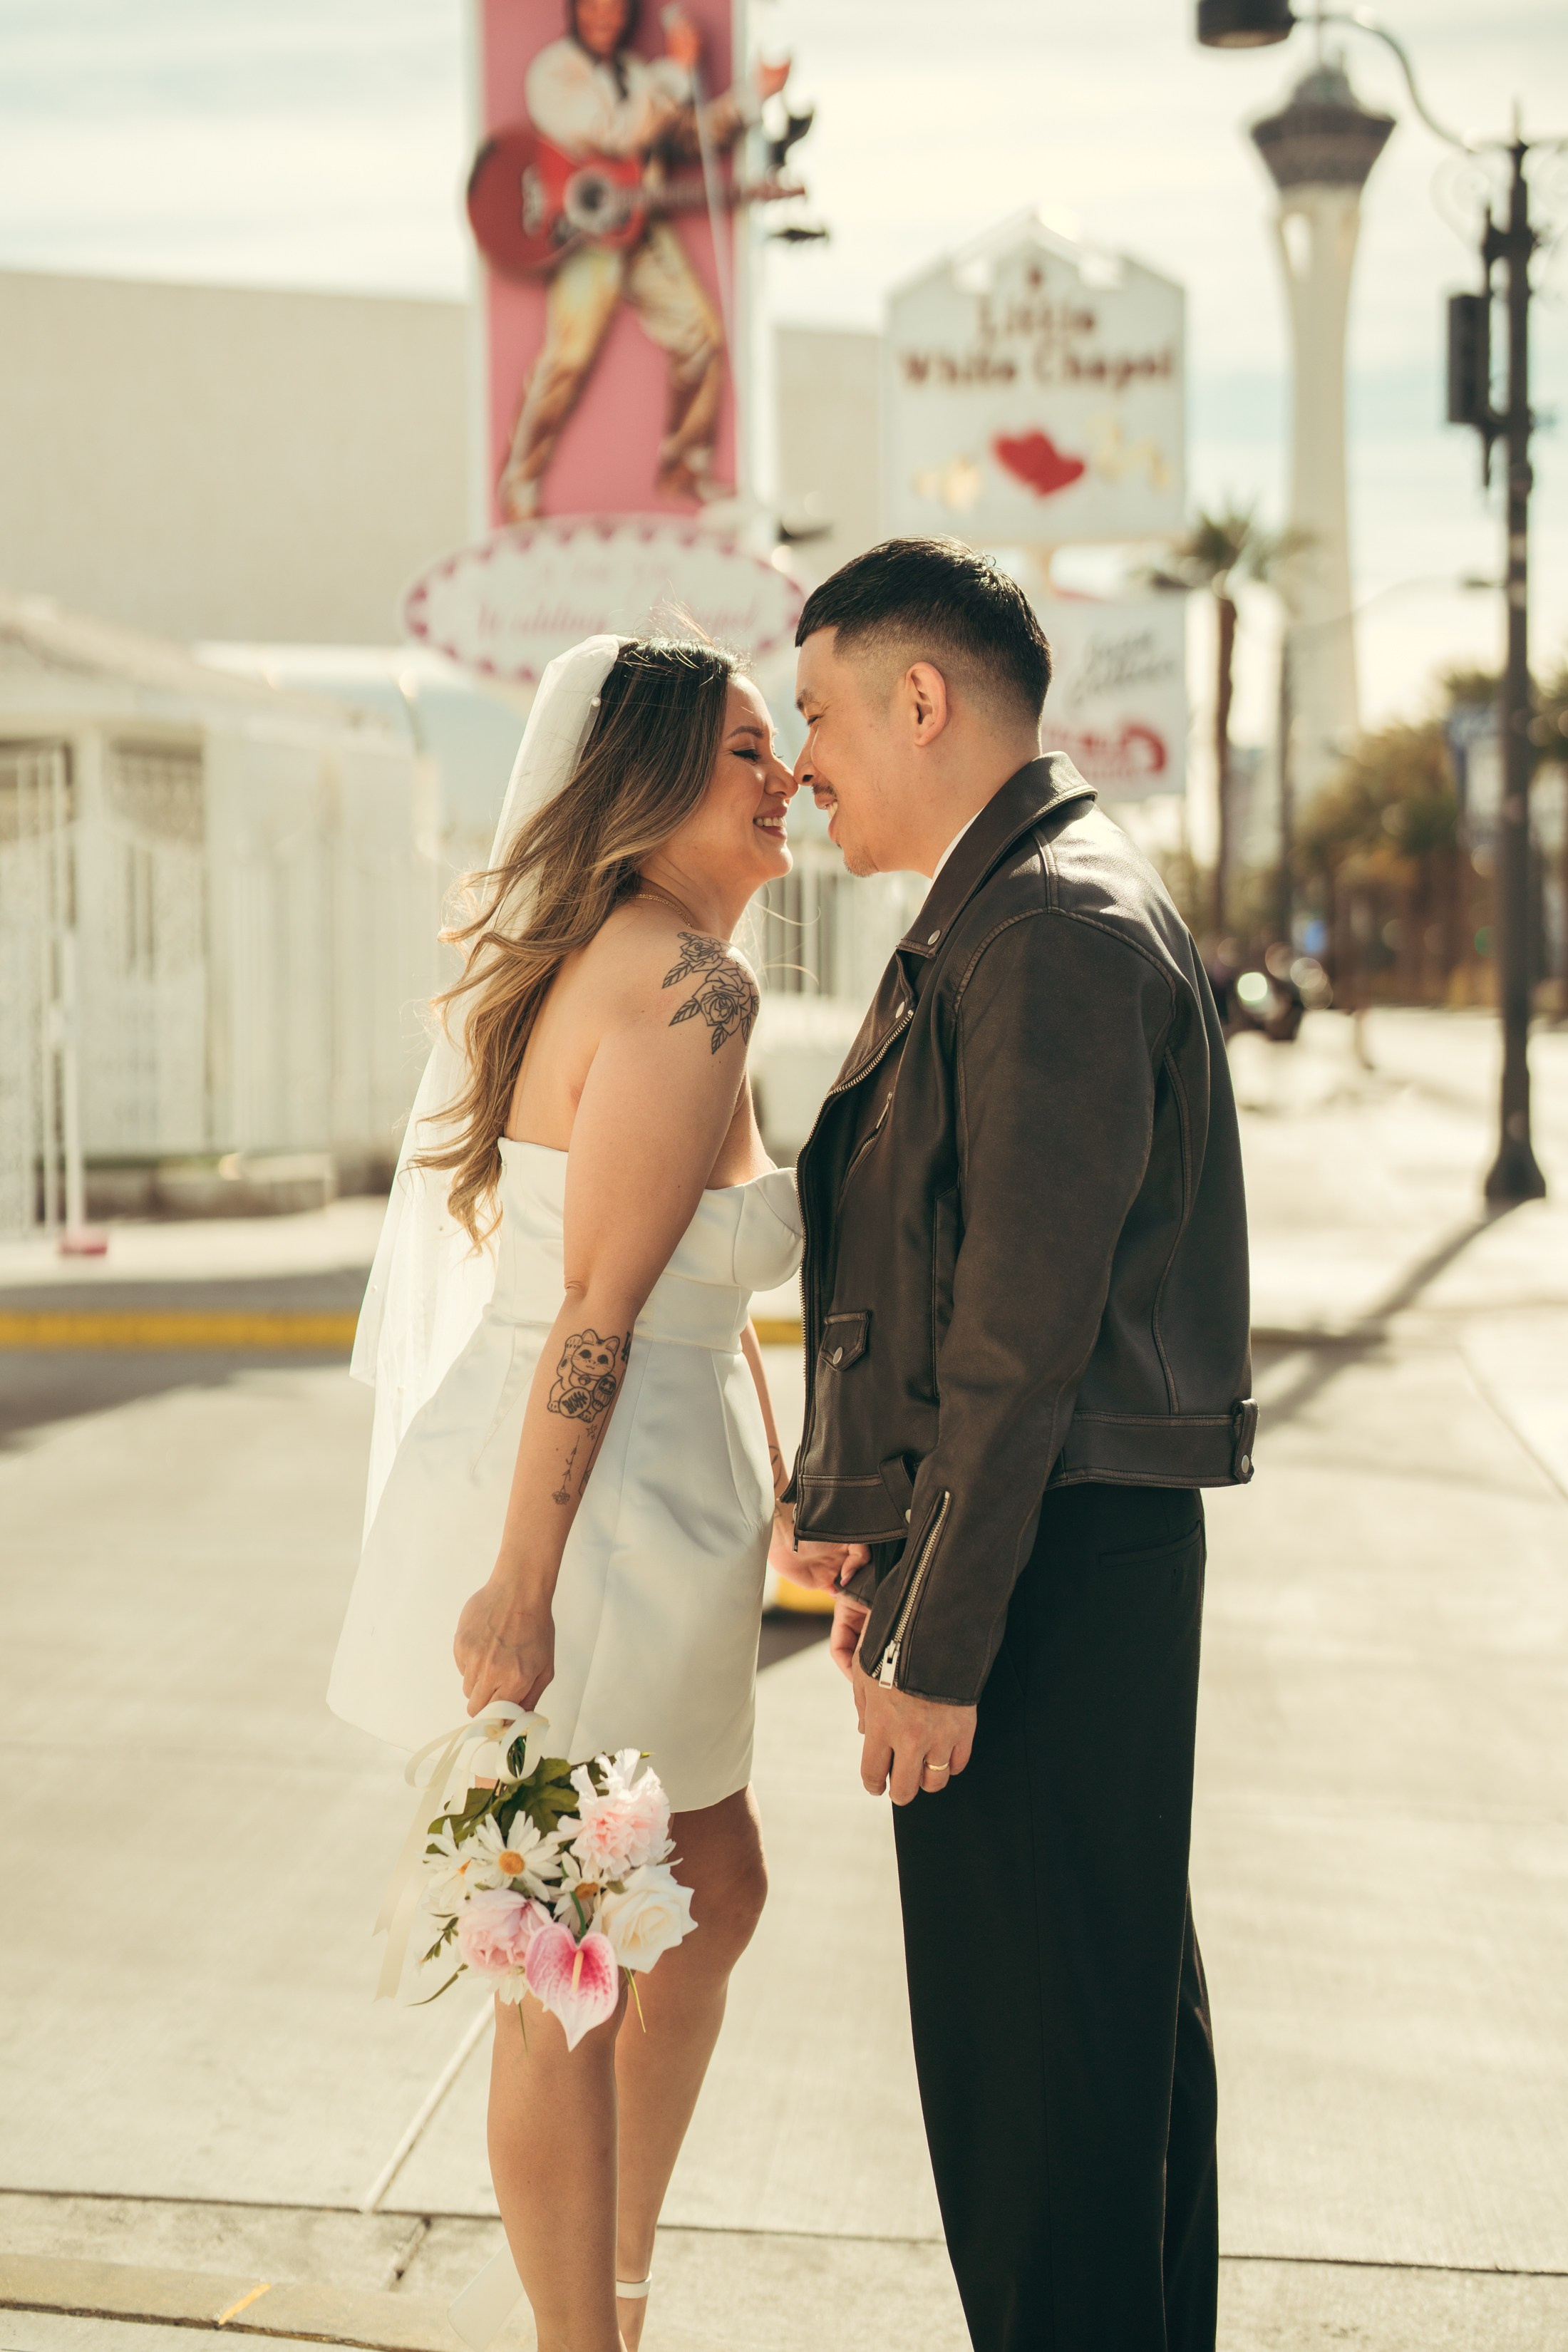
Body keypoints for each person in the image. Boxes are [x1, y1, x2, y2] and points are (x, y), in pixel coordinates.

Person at [329, 634, 858, 2352]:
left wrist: (781, 1481)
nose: (779, 779)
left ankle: (611, 2295)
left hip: (650, 1497)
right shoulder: (688, 989)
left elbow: (701, 1269)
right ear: (638, 790)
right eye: (740, 753)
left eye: (781, 747)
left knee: (712, 1885)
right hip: (589, 1522)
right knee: (563, 1971)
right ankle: (589, 2335)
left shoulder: (665, 968)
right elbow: (596, 1311)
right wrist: (521, 1584)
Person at [788, 539, 1256, 2352]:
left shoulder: (1045, 924)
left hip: (1051, 1571)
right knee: (1097, 2068)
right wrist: (895, 1557)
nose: (807, 757)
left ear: (926, 699)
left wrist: (936, 1634)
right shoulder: (1017, 903)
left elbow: (1019, 1334)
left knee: (1046, 2102)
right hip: (1036, 1558)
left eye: (821, 711)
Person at [497, 0, 789, 519]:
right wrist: (676, 71)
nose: (605, 21)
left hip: (638, 226)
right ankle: (519, 483)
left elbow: (686, 137)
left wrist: (753, 95)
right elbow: (614, 132)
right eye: (594, 10)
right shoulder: (554, 71)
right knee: (566, 359)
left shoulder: (637, 75)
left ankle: (685, 465)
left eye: (614, 11)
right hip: (582, 234)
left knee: (700, 335)